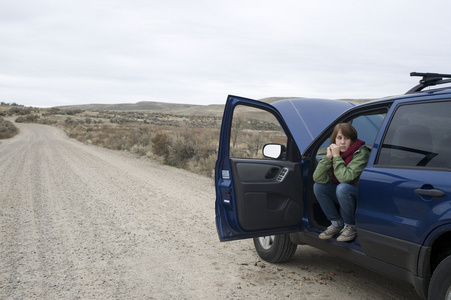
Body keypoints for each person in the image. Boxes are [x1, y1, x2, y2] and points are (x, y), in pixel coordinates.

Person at [313, 123, 370, 242]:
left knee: (342, 188)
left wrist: (336, 157)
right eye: (339, 138)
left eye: (346, 138)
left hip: (358, 195)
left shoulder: (361, 153)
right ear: (334, 140)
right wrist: (328, 158)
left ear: (352, 140)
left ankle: (351, 226)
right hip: (343, 194)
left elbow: (345, 178)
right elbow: (317, 178)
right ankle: (336, 223)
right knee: (319, 187)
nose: (342, 142)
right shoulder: (334, 154)